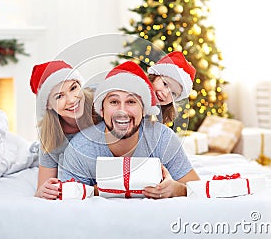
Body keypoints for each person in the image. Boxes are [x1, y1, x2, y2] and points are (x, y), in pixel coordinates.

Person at [60, 61, 200, 198]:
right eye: (114, 102)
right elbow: (66, 202)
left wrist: (179, 189)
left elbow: (197, 188)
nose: (122, 111)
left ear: (144, 110)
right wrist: (99, 190)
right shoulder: (80, 149)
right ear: (101, 110)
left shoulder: (163, 139)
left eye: (131, 102)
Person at [30, 60, 95, 200]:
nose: (72, 100)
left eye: (73, 88)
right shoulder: (51, 136)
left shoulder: (100, 102)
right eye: (59, 96)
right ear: (47, 105)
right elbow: (43, 187)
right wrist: (42, 192)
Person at [148, 51, 196, 124]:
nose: (166, 93)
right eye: (165, 84)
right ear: (154, 77)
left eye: (173, 94)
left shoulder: (158, 117)